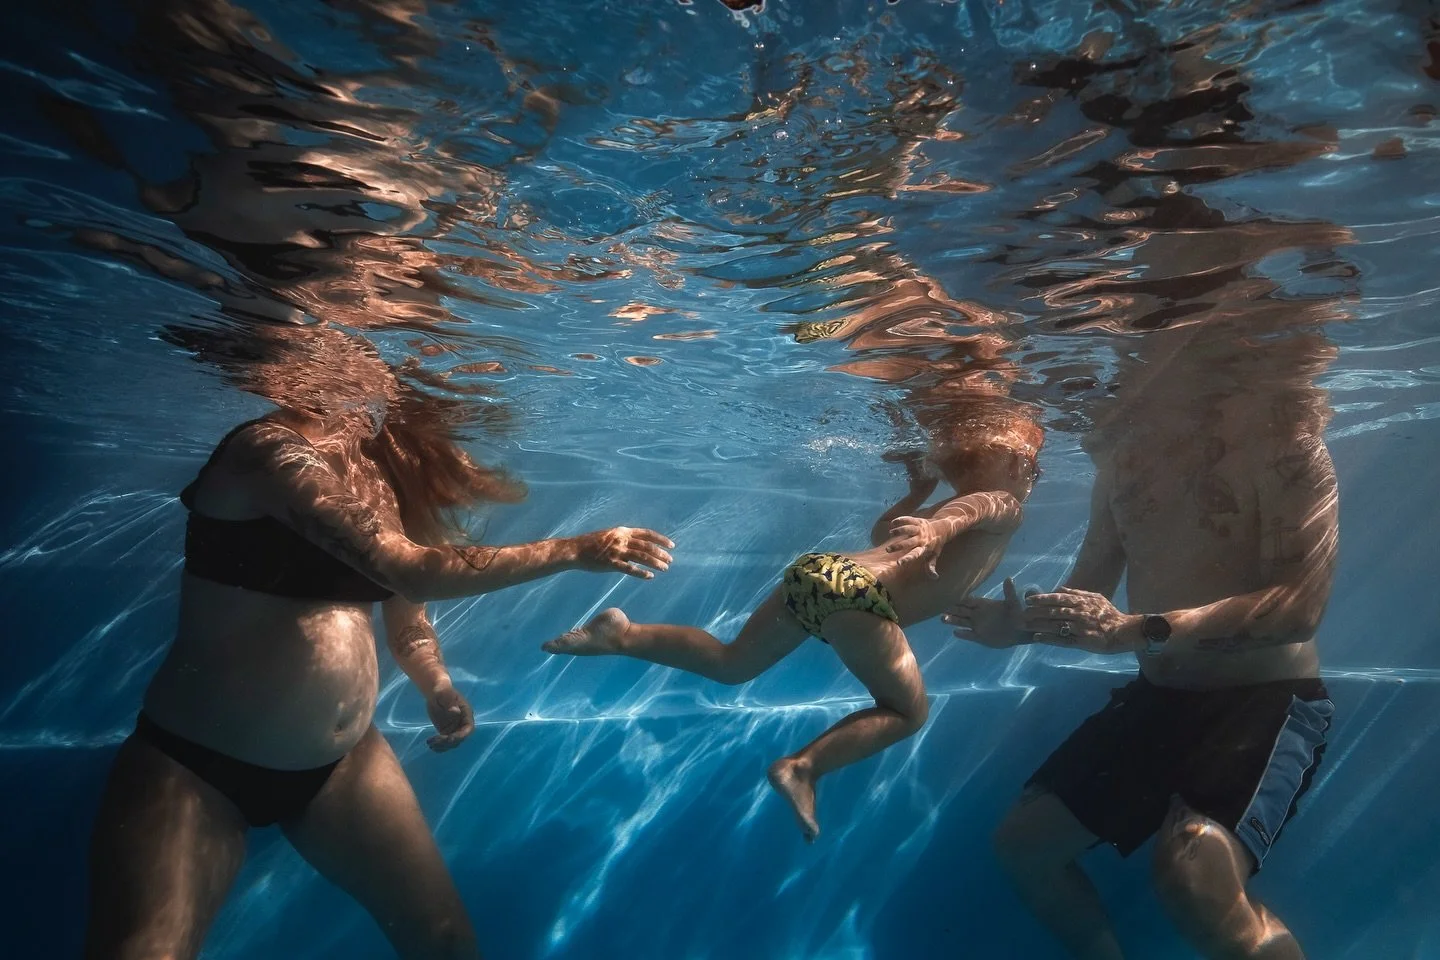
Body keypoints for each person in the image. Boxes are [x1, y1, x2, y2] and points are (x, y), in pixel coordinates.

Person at [83, 326, 675, 960]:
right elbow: (409, 569)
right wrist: (573, 549)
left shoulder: (367, 470)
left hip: (341, 765)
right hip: (196, 763)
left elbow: (402, 607)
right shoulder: (265, 452)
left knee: (445, 942)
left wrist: (435, 682)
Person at [949, 322, 1339, 960]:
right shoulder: (1124, 464)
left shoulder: (1286, 449)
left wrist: (1140, 631)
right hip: (1161, 695)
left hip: (1265, 697)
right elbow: (1090, 596)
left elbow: (1300, 607)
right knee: (1024, 846)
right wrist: (1013, 627)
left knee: (1192, 877)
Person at [545, 410, 1041, 842]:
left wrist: (917, 502)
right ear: (1019, 467)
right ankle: (803, 767)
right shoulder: (1003, 506)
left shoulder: (942, 511)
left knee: (732, 663)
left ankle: (621, 635)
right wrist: (938, 527)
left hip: (819, 571)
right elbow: (980, 506)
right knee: (908, 713)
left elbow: (882, 537)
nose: (1033, 479)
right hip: (859, 597)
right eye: (1035, 470)